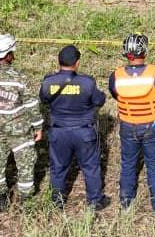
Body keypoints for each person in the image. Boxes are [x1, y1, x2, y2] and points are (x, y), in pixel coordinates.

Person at [0, 34, 43, 210]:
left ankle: (1, 201)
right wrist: (38, 125)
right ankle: (26, 202)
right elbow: (31, 104)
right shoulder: (20, 78)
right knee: (25, 165)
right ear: (9, 54)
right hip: (20, 131)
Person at [109, 33, 155, 216]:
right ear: (144, 51)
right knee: (154, 165)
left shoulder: (116, 76)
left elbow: (115, 94)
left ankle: (126, 203)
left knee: (128, 164)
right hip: (152, 126)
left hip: (128, 126)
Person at [41, 45, 109, 210]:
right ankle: (95, 201)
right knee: (90, 166)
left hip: (58, 131)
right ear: (77, 63)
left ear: (59, 62)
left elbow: (43, 100)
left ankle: (57, 202)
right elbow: (99, 101)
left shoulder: (48, 82)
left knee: (58, 167)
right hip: (84, 132)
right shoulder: (87, 83)